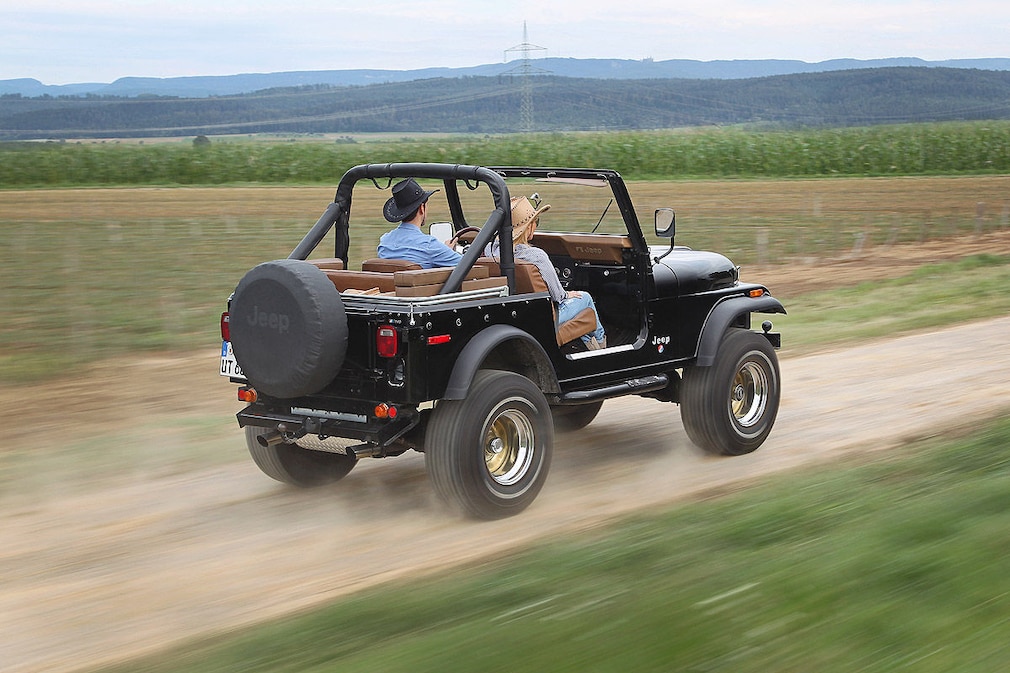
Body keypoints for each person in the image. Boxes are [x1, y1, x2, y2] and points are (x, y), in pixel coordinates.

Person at [490, 195, 607, 350]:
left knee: (580, 308)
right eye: (534, 222)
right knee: (585, 298)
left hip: (516, 315)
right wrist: (567, 294)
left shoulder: (491, 252)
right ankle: (602, 347)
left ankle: (588, 350)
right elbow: (558, 296)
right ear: (528, 227)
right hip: (544, 317)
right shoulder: (536, 256)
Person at [377, 178, 462, 269]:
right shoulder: (429, 245)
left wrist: (445, 251)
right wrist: (446, 252)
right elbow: (469, 265)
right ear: (422, 208)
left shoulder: (384, 242)